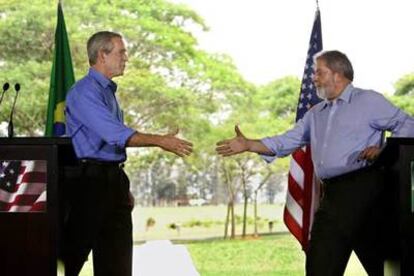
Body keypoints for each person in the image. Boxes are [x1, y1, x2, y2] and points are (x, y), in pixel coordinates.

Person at [216, 50, 414, 275]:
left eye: (319, 72)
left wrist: (383, 150)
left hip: (367, 189)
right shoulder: (316, 113)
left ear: (338, 74)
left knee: (384, 267)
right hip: (333, 194)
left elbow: (408, 125)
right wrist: (250, 144)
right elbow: (289, 140)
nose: (314, 78)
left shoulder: (368, 101)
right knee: (325, 265)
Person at [63, 31, 193, 276]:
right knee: (69, 261)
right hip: (88, 184)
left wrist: (120, 187)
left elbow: (113, 146)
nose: (126, 58)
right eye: (121, 52)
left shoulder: (107, 92)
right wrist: (160, 141)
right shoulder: (84, 92)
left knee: (117, 262)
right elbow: (115, 135)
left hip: (112, 180)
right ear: (102, 54)